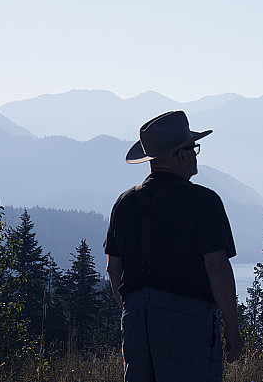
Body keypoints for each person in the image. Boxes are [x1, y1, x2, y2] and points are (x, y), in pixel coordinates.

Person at [104, 110, 242, 382]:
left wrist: (133, 309)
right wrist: (233, 330)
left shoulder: (125, 202)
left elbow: (113, 269)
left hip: (135, 320)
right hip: (187, 320)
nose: (195, 155)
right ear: (180, 155)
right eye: (193, 149)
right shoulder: (204, 201)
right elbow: (217, 267)